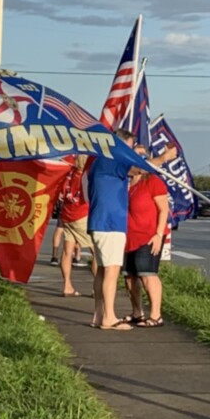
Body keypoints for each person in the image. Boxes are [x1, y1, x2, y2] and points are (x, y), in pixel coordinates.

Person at [87, 128, 137, 330]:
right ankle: (109, 317)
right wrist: (164, 158)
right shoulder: (112, 158)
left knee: (101, 270)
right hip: (110, 223)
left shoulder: (100, 160)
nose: (131, 153)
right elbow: (137, 169)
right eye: (130, 148)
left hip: (100, 222)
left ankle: (99, 315)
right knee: (112, 271)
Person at [123, 146, 169, 326]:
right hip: (128, 236)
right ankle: (137, 312)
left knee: (147, 273)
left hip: (149, 235)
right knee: (129, 276)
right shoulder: (125, 181)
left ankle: (156, 315)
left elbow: (163, 209)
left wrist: (158, 234)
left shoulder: (153, 181)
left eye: (142, 158)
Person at [57, 155, 95, 296]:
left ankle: (67, 285)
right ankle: (96, 288)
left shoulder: (69, 174)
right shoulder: (84, 177)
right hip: (82, 215)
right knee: (96, 251)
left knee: (67, 251)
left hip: (67, 214)